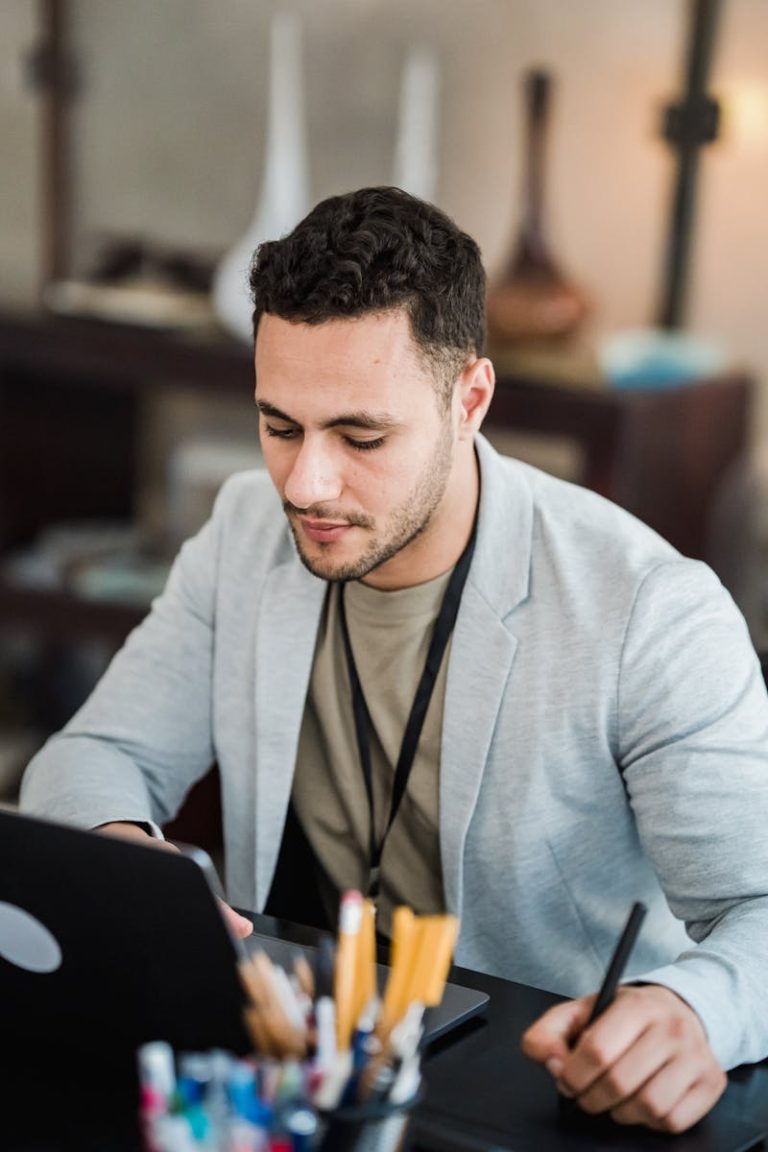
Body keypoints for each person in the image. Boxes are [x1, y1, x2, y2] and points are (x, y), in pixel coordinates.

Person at [21, 186, 768, 1133]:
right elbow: (85, 758)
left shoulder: (648, 608)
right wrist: (135, 879)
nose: (306, 483)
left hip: (537, 1092)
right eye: (280, 425)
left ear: (472, 400)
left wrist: (697, 1009)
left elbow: (760, 905)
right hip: (309, 1064)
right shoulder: (245, 530)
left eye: (361, 436)